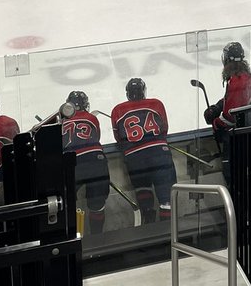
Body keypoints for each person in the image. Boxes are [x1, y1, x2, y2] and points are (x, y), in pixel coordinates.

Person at [111, 79, 177, 222]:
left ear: (128, 93)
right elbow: (164, 128)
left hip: (134, 158)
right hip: (159, 154)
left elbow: (118, 138)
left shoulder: (117, 110)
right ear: (143, 91)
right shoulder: (156, 104)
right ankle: (167, 231)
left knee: (143, 189)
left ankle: (148, 223)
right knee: (166, 200)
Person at [57, 92, 109, 234]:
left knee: (67, 203)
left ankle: (71, 237)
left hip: (71, 162)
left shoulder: (61, 123)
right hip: (95, 160)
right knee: (97, 205)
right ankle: (97, 237)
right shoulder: (91, 118)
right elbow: (96, 136)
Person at [203, 42, 251, 158]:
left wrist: (216, 124)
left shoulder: (237, 80)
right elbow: (236, 99)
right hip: (246, 135)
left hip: (238, 139)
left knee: (232, 167)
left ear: (227, 60)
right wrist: (219, 106)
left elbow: (231, 116)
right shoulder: (244, 76)